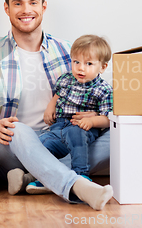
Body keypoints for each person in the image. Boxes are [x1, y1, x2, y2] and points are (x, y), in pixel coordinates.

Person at [0, 0, 112, 210]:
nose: (26, 10)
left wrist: (93, 117)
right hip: (14, 148)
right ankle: (75, 185)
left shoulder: (69, 51)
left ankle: (36, 179)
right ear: (7, 8)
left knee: (117, 134)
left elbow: (96, 92)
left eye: (33, 3)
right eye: (18, 3)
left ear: (44, 6)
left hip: (63, 139)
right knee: (18, 129)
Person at [26, 35, 112, 193]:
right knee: (42, 142)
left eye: (89, 64)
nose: (81, 68)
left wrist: (93, 122)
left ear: (103, 67)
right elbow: (58, 95)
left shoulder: (103, 89)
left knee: (76, 134)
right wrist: (50, 106)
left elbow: (108, 119)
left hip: (82, 128)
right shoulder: (66, 79)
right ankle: (44, 178)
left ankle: (81, 176)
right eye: (76, 62)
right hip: (58, 127)